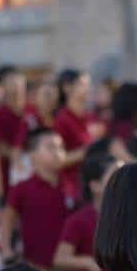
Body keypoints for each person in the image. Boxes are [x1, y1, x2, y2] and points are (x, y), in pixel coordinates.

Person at [0, 128, 72, 271]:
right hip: (35, 269)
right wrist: (6, 249)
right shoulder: (22, 188)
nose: (57, 152)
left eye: (61, 147)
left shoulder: (72, 187)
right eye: (50, 147)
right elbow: (7, 219)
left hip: (69, 270)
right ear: (32, 155)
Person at [53, 69, 97, 200]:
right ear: (67, 87)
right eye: (82, 84)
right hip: (72, 189)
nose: (88, 88)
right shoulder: (61, 119)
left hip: (92, 183)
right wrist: (90, 150)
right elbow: (59, 159)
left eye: (88, 84)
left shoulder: (91, 116)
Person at [0, 66, 30, 189]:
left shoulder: (32, 109)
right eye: (11, 83)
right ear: (3, 86)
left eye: (19, 82)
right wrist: (20, 158)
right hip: (9, 173)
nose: (16, 86)